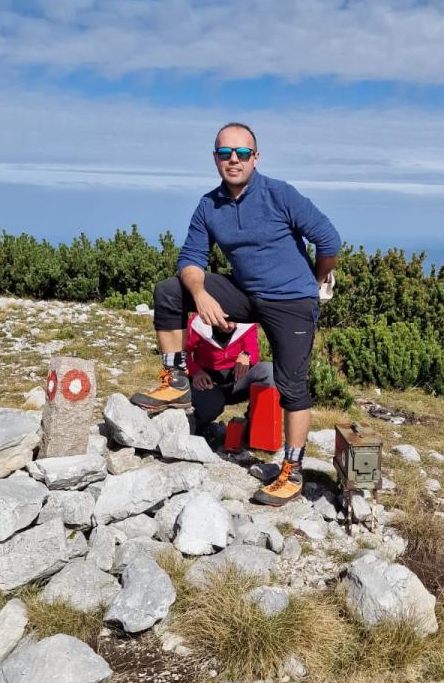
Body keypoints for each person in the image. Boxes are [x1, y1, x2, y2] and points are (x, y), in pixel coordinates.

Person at [130, 122, 339, 506]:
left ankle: (292, 471)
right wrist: (201, 295)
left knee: (291, 386)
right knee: (170, 292)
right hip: (246, 294)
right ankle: (175, 379)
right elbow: (190, 259)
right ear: (215, 158)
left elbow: (329, 240)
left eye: (242, 153)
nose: (234, 160)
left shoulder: (279, 194)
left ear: (255, 157)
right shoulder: (209, 205)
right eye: (225, 153)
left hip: (292, 300)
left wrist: (315, 282)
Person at [183, 313, 275, 436]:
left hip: (237, 380)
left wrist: (246, 355)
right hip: (208, 384)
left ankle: (255, 431)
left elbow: (253, 350)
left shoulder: (247, 322)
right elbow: (182, 353)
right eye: (226, 320)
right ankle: (193, 429)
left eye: (235, 320)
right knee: (212, 405)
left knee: (269, 371)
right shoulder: (197, 324)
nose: (230, 325)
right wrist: (196, 372)